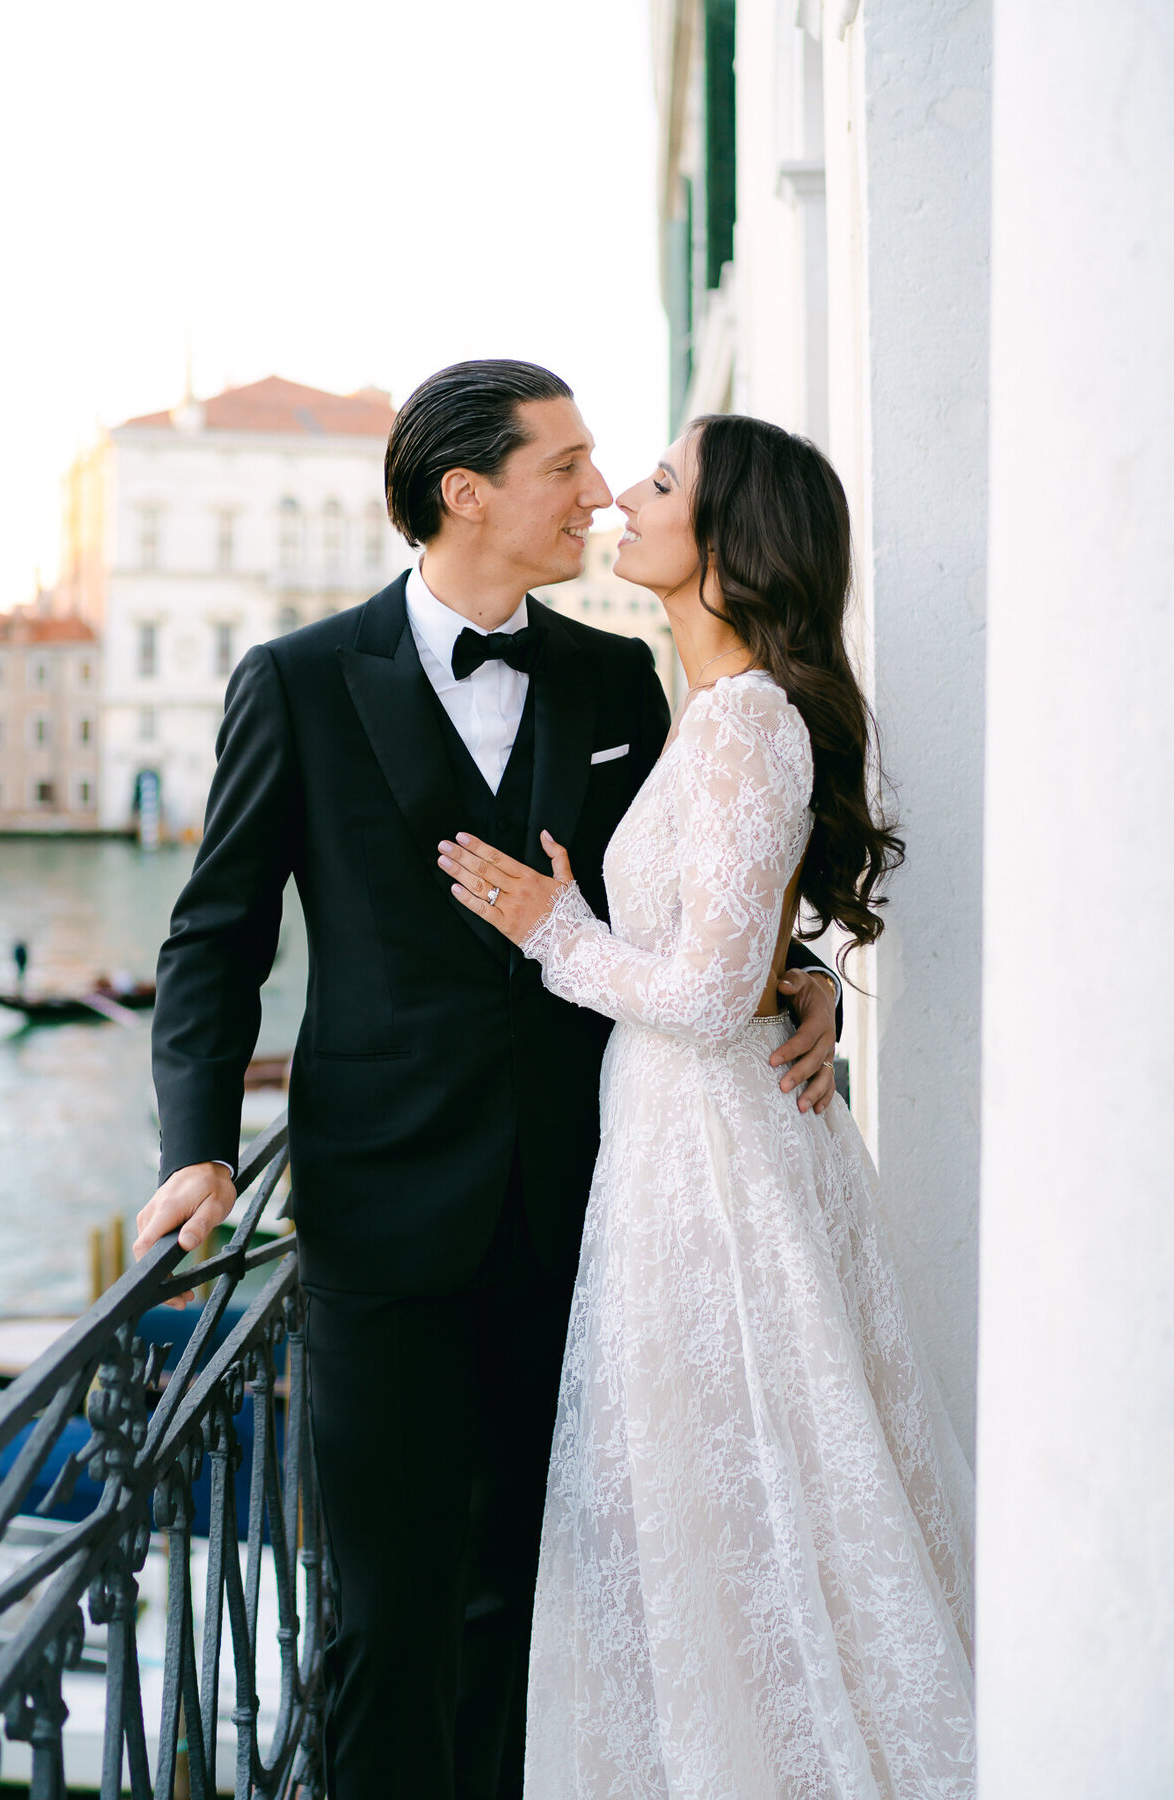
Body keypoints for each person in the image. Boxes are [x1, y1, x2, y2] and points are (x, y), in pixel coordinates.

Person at [132, 362, 842, 1800]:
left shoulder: (611, 675)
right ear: (469, 491)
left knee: (538, 1594)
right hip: (380, 1218)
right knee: (383, 1612)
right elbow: (215, 938)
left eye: (608, 470)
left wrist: (795, 964)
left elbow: (697, 881)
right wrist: (197, 1148)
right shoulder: (300, 679)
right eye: (568, 465)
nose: (596, 491)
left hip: (589, 1207)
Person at [440, 415, 975, 1798]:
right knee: (719, 1512)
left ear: (730, 550)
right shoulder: (716, 713)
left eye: (659, 485)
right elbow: (735, 954)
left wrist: (558, 930)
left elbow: (695, 988)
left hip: (713, 1172)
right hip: (680, 1149)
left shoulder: (745, 724)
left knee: (727, 1504)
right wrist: (802, 975)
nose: (620, 494)